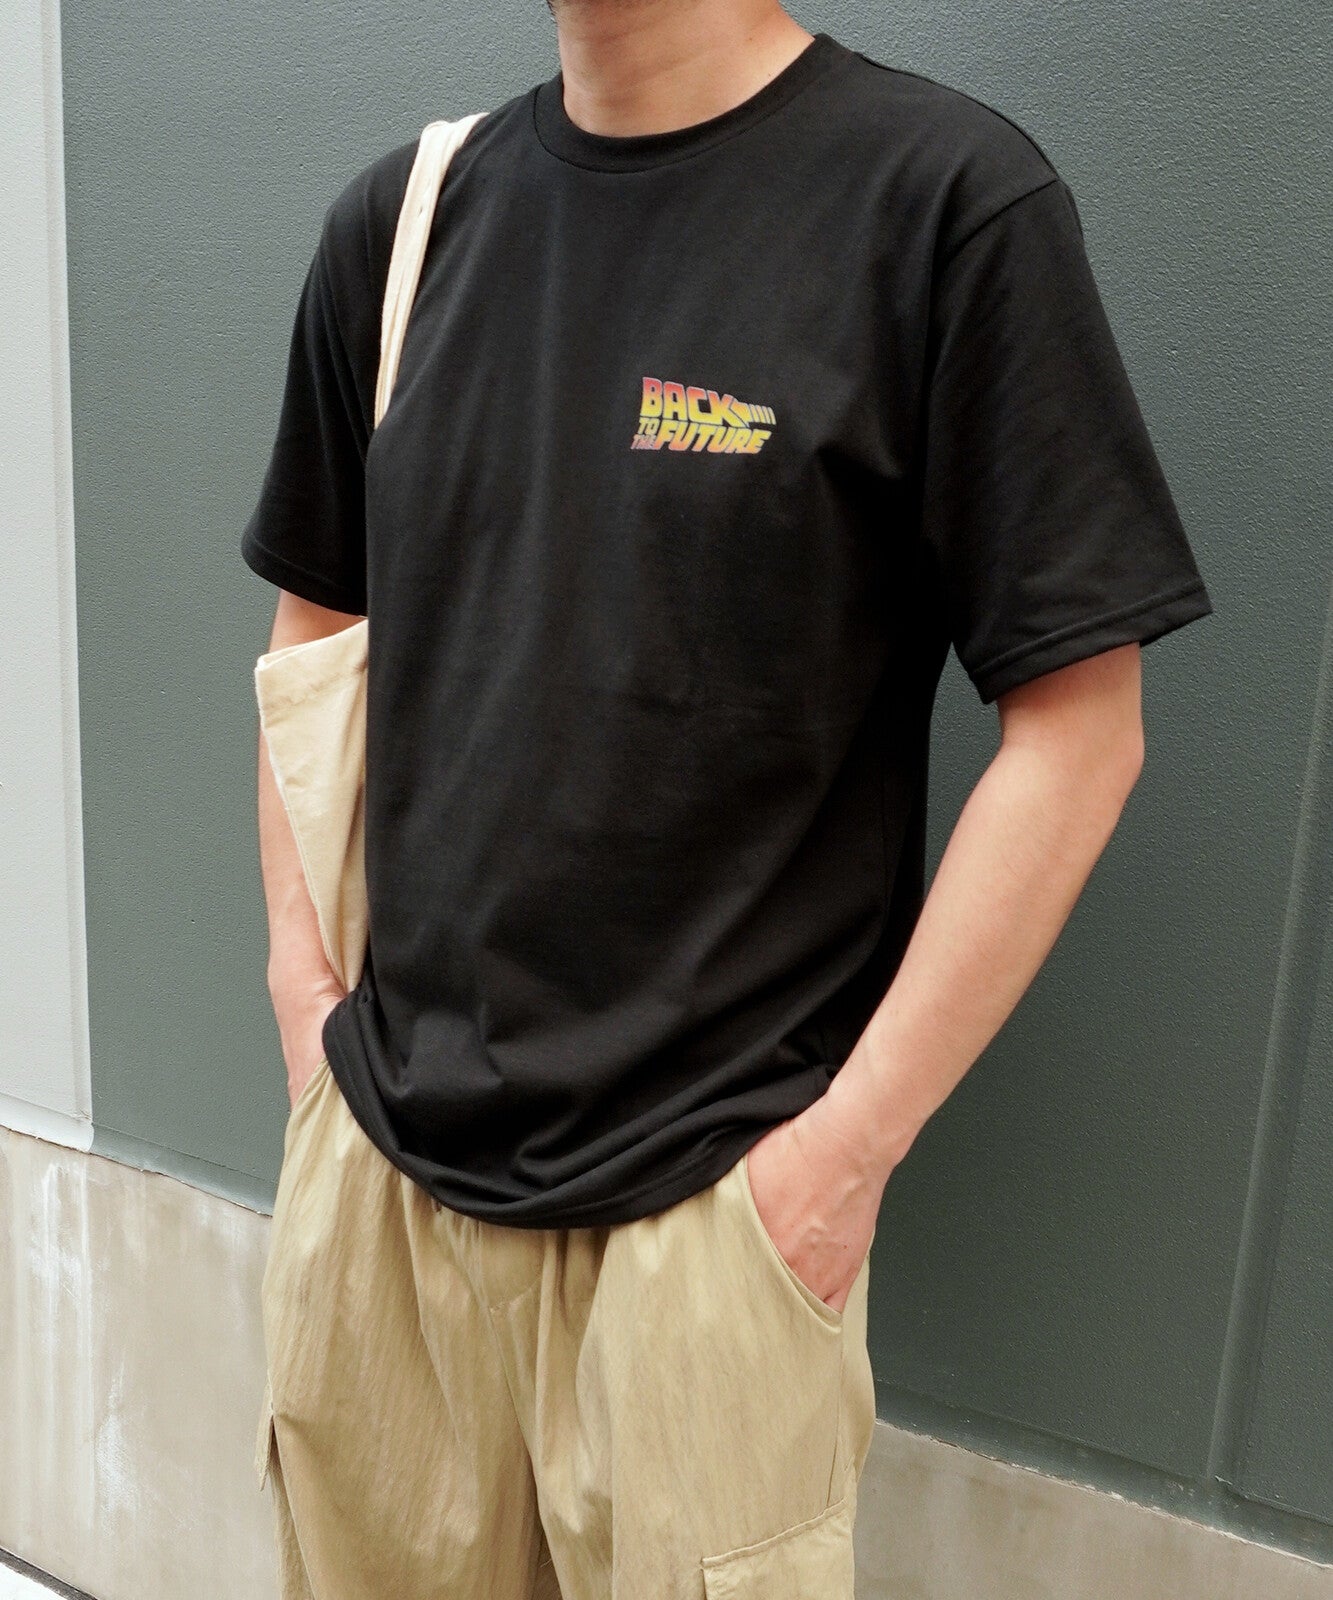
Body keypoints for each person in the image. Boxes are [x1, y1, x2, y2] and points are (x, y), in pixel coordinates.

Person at [241, 3, 1215, 1596]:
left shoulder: (938, 204)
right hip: (383, 1203)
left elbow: (1077, 732)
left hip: (708, 1230)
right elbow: (315, 622)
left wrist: (838, 1164)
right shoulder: (402, 225)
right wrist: (304, 1005)